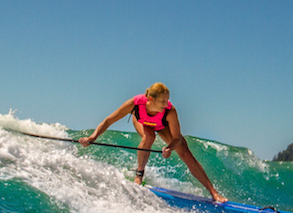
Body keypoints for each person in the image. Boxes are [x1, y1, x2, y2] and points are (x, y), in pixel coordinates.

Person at [79, 83, 228, 203]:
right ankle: (139, 176)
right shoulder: (134, 104)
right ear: (150, 99)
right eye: (162, 100)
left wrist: (169, 148)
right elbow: (108, 120)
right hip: (142, 120)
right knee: (149, 136)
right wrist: (93, 137)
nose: (166, 103)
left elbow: (177, 138)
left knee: (185, 152)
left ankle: (213, 193)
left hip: (161, 124)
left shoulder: (170, 111)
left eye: (167, 99)